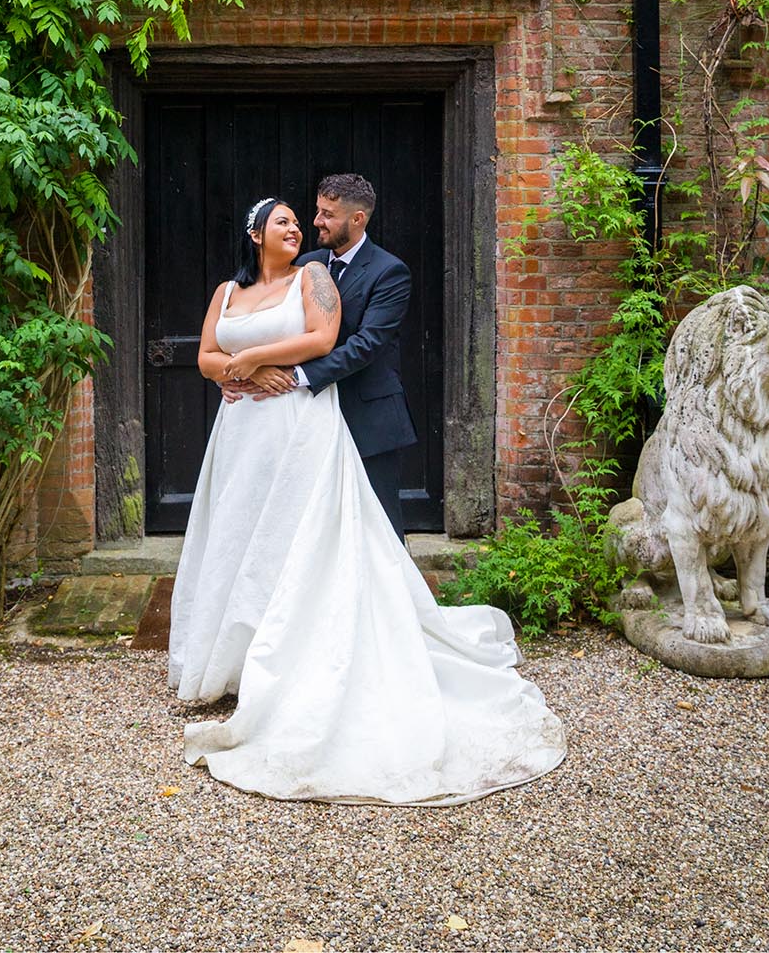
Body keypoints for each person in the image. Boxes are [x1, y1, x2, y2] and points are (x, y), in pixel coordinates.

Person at [167, 192, 566, 804]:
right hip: (243, 432)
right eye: (288, 221)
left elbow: (327, 339)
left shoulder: (316, 277)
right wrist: (233, 372)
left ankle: (297, 661)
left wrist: (249, 359)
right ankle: (235, 659)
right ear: (254, 234)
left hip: (300, 423)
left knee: (305, 540)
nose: (302, 226)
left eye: (307, 220)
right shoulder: (226, 292)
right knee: (239, 535)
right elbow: (203, 356)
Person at [219, 174, 416, 539]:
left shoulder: (389, 272)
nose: (315, 222)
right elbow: (266, 323)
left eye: (327, 214)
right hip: (304, 418)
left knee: (379, 526)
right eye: (317, 211)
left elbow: (367, 345)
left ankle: (388, 597)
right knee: (313, 526)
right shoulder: (307, 264)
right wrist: (237, 372)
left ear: (356, 219)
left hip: (365, 413)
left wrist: (293, 375)